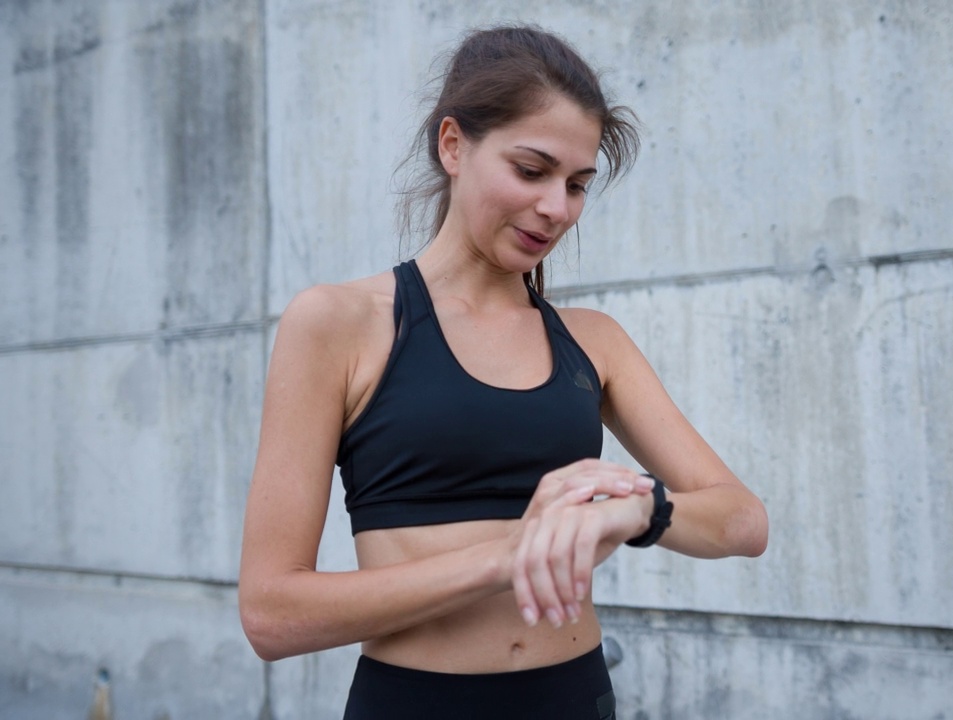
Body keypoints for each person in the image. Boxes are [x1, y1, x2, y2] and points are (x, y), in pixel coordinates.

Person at [238, 25, 768, 720]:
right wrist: (507, 556)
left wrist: (637, 510)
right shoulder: (338, 323)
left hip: (576, 699)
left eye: (577, 185)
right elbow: (273, 615)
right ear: (453, 145)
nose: (557, 208)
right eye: (531, 170)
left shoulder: (593, 341)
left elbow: (742, 522)